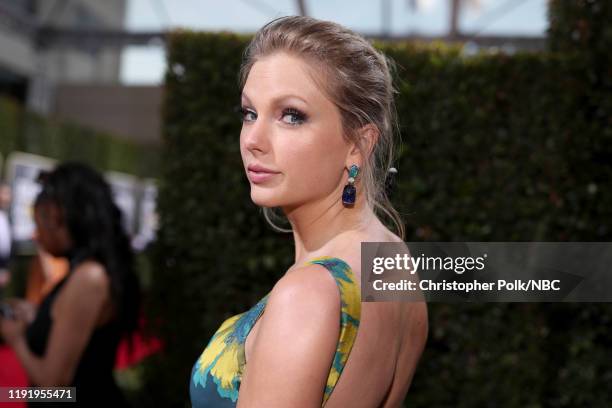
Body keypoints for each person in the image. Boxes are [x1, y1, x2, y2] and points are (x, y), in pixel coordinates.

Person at [189, 16, 428, 408]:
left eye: (291, 115)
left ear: (359, 144)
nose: (253, 140)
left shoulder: (308, 294)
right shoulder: (395, 263)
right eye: (249, 113)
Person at [0, 162, 140, 407]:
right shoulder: (90, 271)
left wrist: (16, 340)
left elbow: (56, 388)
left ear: (55, 215)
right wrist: (39, 315)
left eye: (38, 223)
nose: (36, 234)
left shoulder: (88, 277)